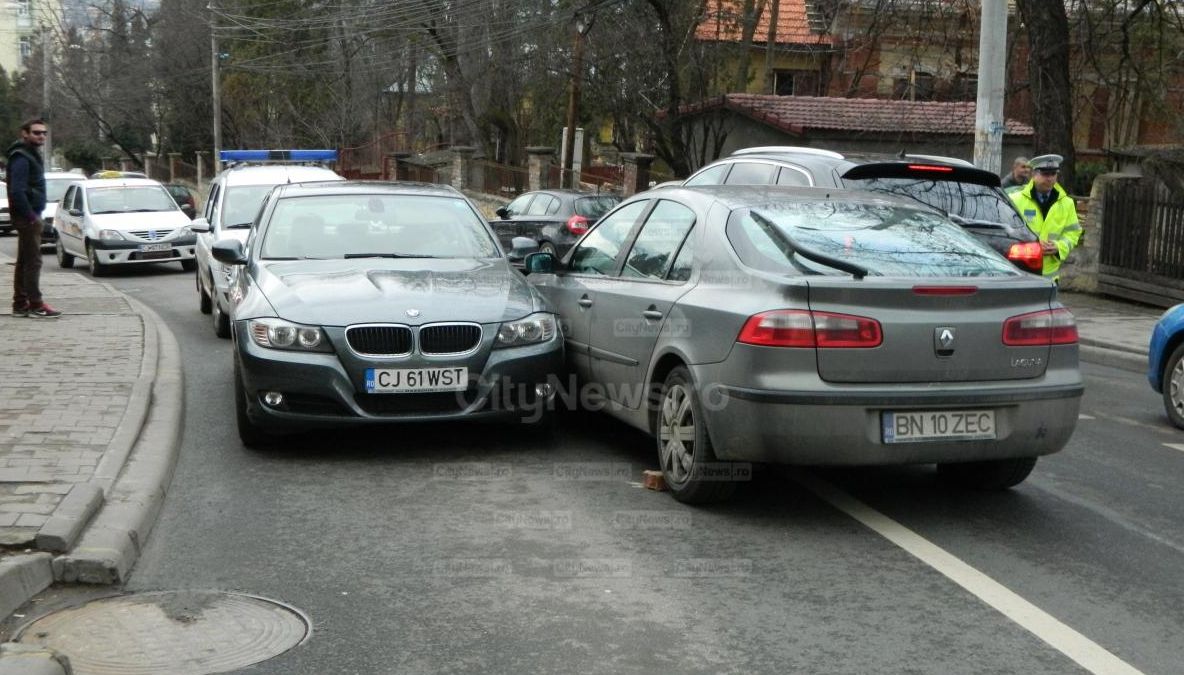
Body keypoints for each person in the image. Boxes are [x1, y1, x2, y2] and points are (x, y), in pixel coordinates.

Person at [6, 119, 60, 318]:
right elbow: (17, 190)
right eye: (37, 133)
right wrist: (31, 216)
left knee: (24, 260)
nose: (41, 136)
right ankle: (35, 304)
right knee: (33, 261)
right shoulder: (21, 156)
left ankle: (20, 304)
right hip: (27, 216)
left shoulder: (30, 154)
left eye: (44, 133)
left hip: (30, 214)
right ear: (24, 133)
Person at [1009, 154, 1083, 283]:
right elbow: (1006, 231)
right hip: (1020, 271)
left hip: (1050, 277)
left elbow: (1073, 233)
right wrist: (1033, 247)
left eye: (1053, 174)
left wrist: (1058, 247)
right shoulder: (1015, 199)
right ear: (1033, 174)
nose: (1049, 179)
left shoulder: (1067, 203)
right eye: (1045, 174)